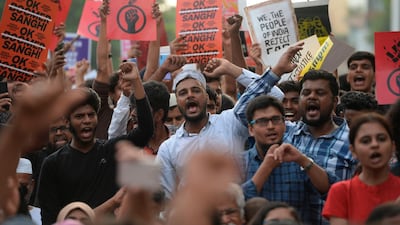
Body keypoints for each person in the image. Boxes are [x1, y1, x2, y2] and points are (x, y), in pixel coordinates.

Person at [156, 43, 304, 199]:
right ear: (177, 101)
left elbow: (274, 95)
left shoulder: (229, 121)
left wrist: (231, 68)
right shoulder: (168, 148)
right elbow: (166, 197)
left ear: (207, 97)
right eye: (183, 93)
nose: (190, 96)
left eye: (196, 90)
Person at [37, 62, 154, 225]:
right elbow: (49, 219)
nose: (86, 121)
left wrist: (137, 82)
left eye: (91, 115)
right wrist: (113, 202)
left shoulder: (111, 150)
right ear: (67, 121)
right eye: (79, 116)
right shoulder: (53, 164)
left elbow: (146, 130)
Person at [241, 95, 331, 224]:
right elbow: (236, 204)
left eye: (276, 119)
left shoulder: (300, 159)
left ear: (284, 124)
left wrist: (303, 160)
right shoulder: (238, 163)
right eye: (262, 121)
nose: (271, 126)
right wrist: (266, 167)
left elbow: (329, 191)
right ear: (251, 129)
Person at [322, 113, 400, 225]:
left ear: (393, 146)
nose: (374, 145)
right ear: (353, 151)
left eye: (381, 139)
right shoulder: (341, 192)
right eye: (366, 141)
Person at [16, 158, 42, 225]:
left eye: (24, 185)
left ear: (32, 185)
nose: (20, 190)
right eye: (16, 185)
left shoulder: (41, 215)